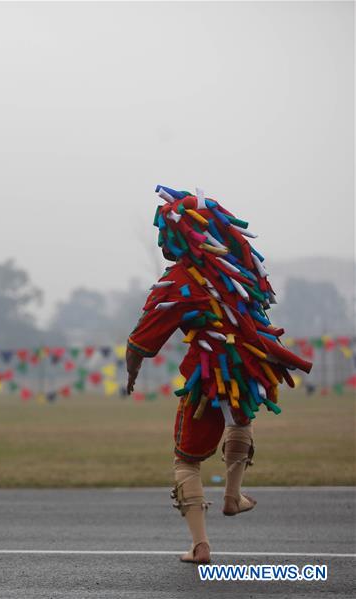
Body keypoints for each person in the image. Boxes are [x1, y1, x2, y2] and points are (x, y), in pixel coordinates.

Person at [125, 185, 312, 564]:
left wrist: (132, 371)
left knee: (186, 460)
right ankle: (232, 495)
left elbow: (141, 340)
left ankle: (200, 545)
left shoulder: (178, 282)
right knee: (241, 420)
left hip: (208, 377)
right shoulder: (240, 269)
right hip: (250, 370)